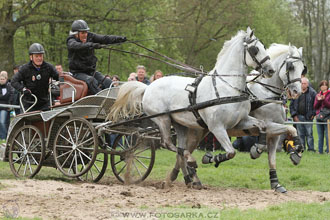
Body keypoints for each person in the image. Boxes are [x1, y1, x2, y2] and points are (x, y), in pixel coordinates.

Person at [67, 19, 127, 94]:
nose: (85, 35)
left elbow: (104, 38)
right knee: (91, 81)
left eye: (86, 32)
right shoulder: (71, 40)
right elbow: (76, 45)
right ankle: (101, 99)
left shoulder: (90, 36)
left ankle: (115, 99)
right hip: (77, 73)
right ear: (76, 34)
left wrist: (118, 39)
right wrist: (92, 45)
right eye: (83, 33)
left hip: (91, 72)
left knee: (108, 82)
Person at [11, 43, 59, 112]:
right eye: (36, 56)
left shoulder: (48, 67)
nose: (39, 58)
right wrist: (23, 89)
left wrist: (62, 82)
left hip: (44, 102)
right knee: (30, 121)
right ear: (31, 57)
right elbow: (14, 81)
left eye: (41, 56)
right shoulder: (25, 69)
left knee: (48, 121)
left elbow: (58, 76)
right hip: (29, 103)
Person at [289, 77, 317, 152]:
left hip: (308, 117)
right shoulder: (296, 92)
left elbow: (316, 105)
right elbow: (291, 105)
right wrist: (294, 115)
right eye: (302, 83)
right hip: (298, 117)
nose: (303, 85)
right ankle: (302, 148)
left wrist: (313, 114)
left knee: (309, 134)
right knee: (300, 134)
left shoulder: (312, 93)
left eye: (305, 83)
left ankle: (311, 149)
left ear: (307, 84)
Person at [313, 80, 330, 154]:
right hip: (319, 117)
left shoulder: (329, 94)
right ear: (320, 87)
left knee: (327, 136)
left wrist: (324, 100)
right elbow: (315, 106)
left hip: (327, 118)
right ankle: (320, 151)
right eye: (322, 85)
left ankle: (328, 150)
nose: (323, 86)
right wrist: (319, 100)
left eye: (325, 85)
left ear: (327, 86)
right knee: (320, 136)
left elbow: (329, 105)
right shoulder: (318, 95)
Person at [0, 71, 14, 140]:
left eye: (3, 79)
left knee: (3, 122)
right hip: (1, 106)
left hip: (5, 107)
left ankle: (5, 137)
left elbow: (9, 95)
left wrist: (9, 104)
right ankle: (2, 137)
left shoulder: (9, 86)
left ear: (6, 79)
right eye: (0, 79)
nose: (1, 80)